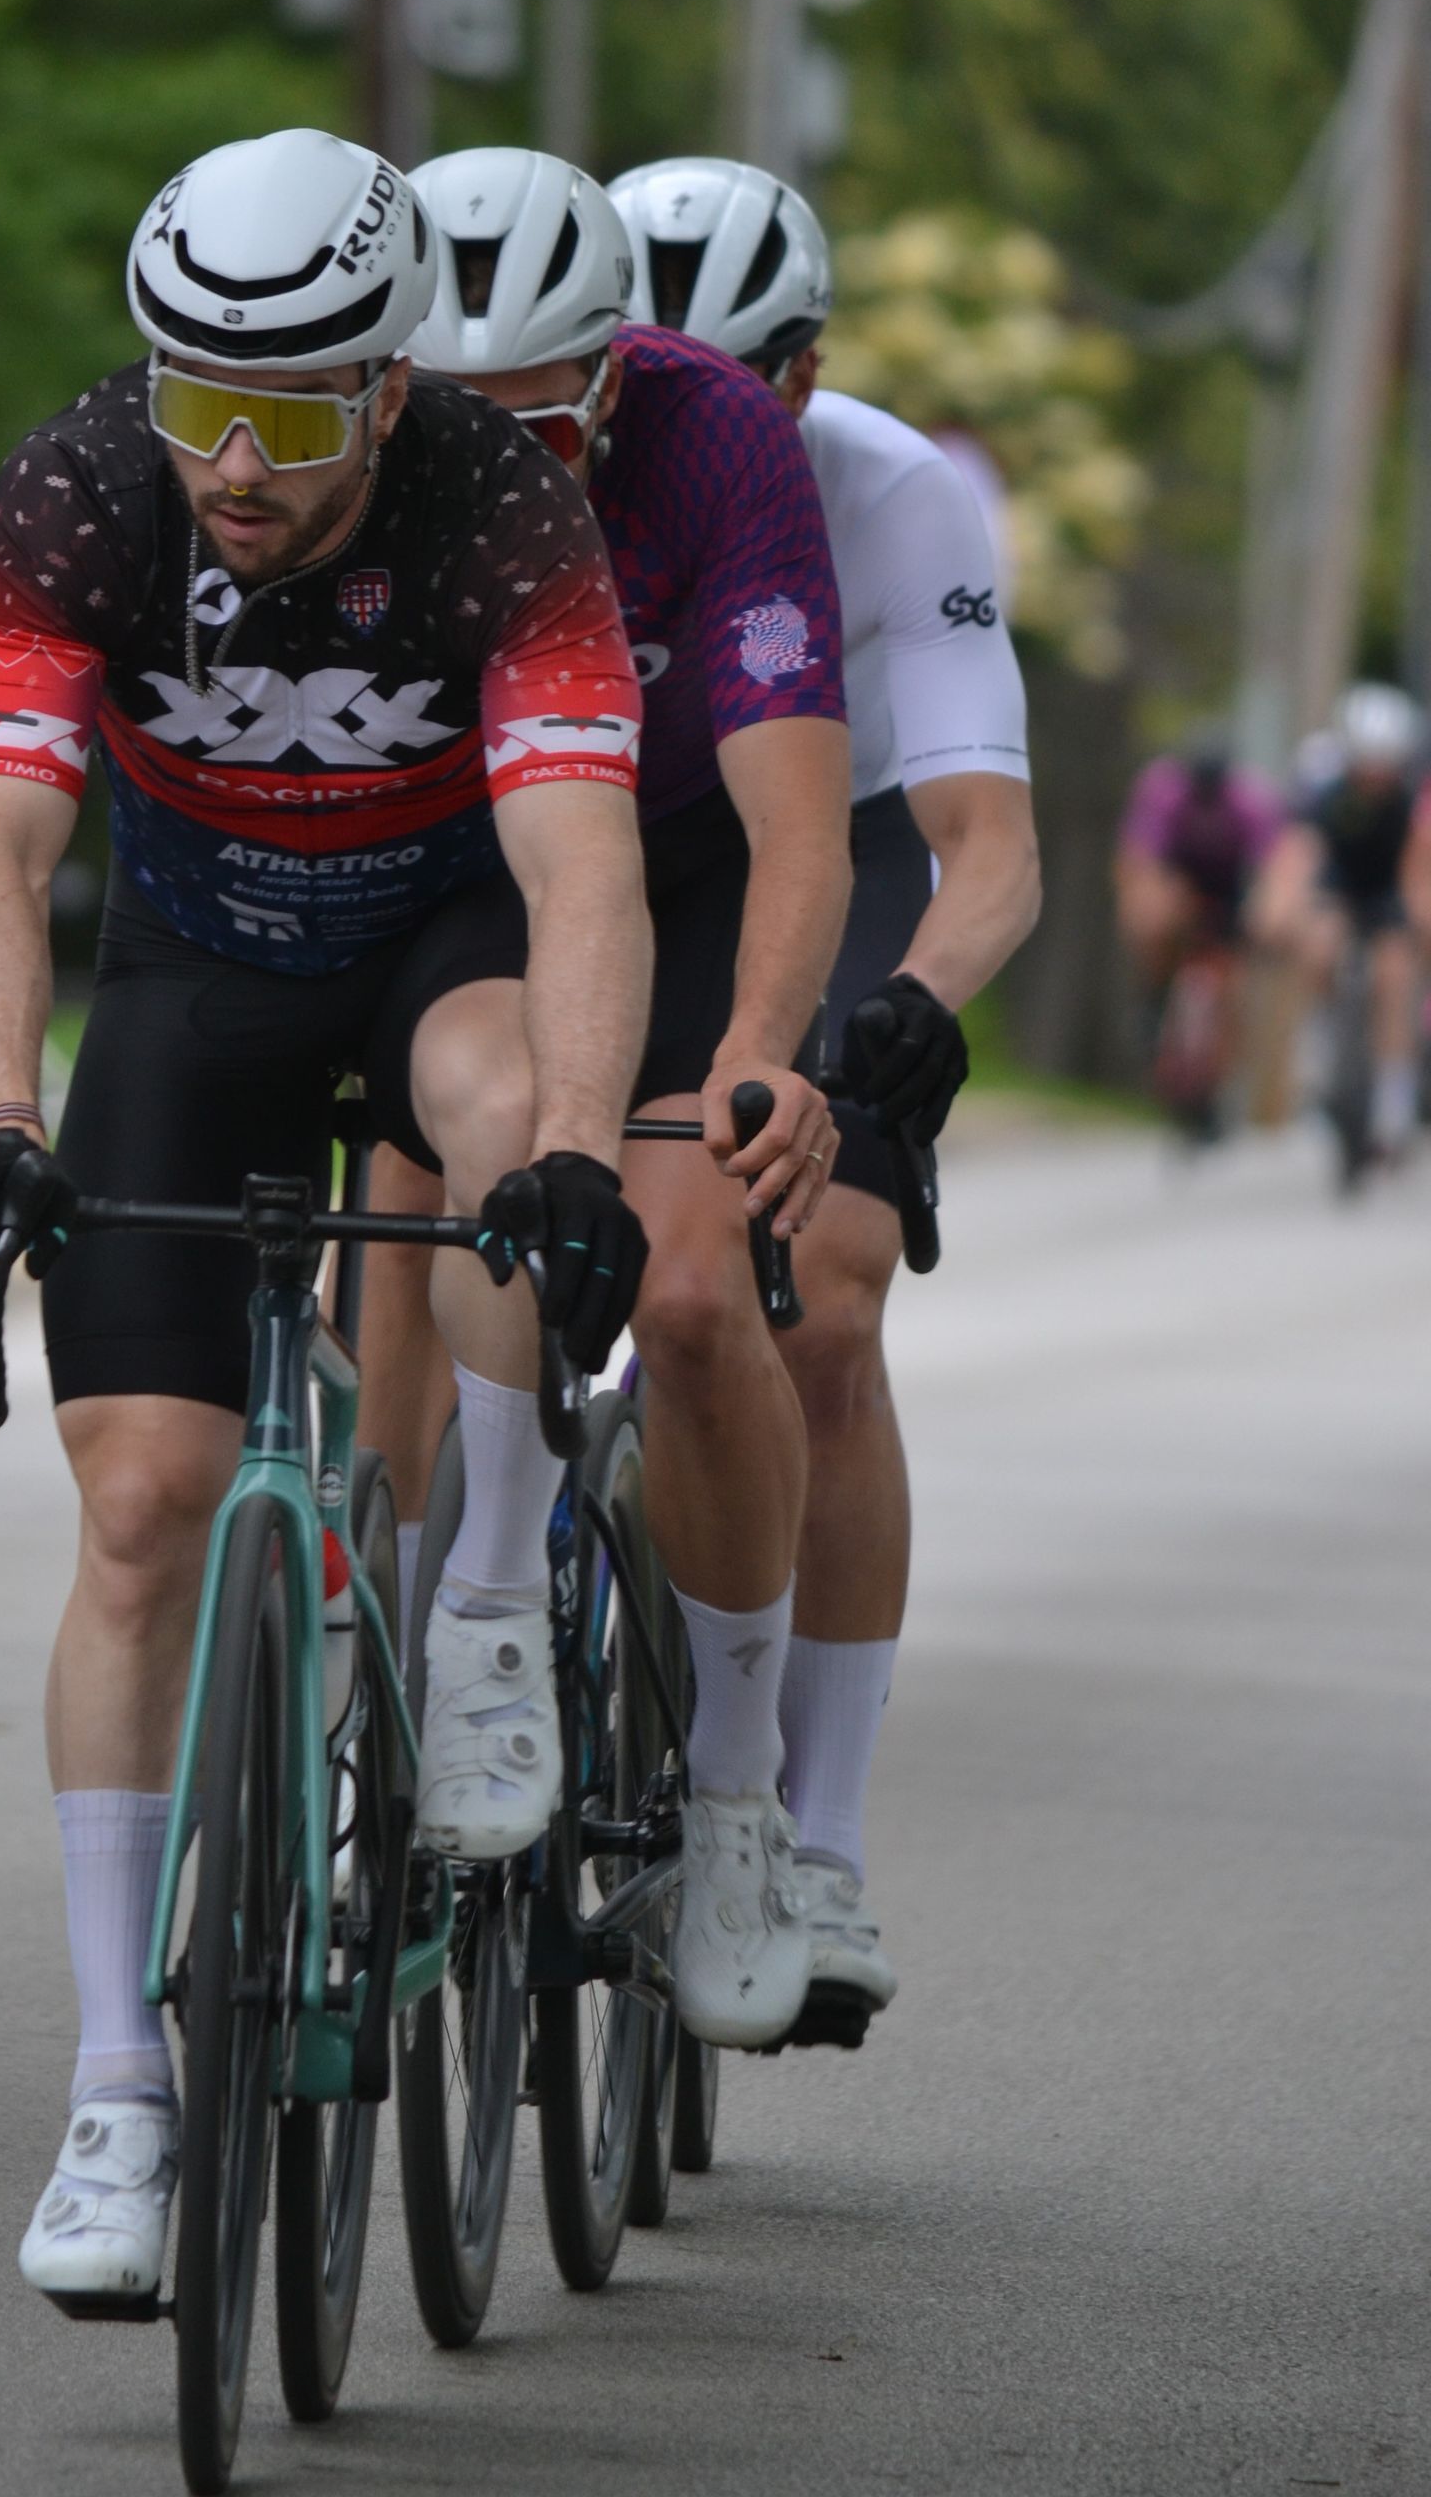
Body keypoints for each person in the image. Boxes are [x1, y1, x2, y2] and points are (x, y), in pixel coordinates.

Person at [0, 129, 656, 2313]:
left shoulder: (508, 512)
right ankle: (122, 2090)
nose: (231, 460)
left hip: (438, 942)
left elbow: (583, 859)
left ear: (390, 392)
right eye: (192, 399)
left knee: (505, 1102)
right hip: (199, 968)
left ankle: (495, 1609)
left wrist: (585, 1155)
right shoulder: (82, 488)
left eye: (291, 415)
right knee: (142, 1502)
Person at [363, 146, 853, 2055]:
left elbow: (798, 815)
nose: (497, 461)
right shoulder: (339, 440)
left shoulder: (720, 438)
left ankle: (735, 1792)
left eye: (538, 425)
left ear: (613, 378)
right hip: (464, 865)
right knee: (422, 1190)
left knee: (694, 1290)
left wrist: (758, 1048)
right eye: (454, 424)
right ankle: (404, 1642)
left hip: (688, 850)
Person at [607, 155, 1041, 2043]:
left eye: (747, 381)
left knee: (829, 1308)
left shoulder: (896, 490)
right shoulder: (536, 457)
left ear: (806, 368)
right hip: (606, 838)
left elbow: (987, 846)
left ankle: (823, 1843)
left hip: (827, 850)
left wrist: (913, 1014)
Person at [1250, 681, 1429, 1166]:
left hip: (1392, 884)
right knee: (1319, 941)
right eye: (1365, 763)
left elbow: (1420, 862)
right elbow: (1298, 853)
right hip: (1340, 883)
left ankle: (1394, 1101)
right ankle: (1320, 1048)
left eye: (1384, 764)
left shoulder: (1416, 791)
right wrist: (1280, 908)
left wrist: (1418, 919)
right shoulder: (1320, 780)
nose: (1373, 775)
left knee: (1395, 974)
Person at [1115, 726, 1284, 1134]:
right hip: (1183, 888)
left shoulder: (1251, 801)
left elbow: (1275, 867)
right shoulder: (1163, 791)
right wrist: (1147, 909)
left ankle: (1221, 1079)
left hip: (1231, 896)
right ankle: (1154, 999)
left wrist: (1267, 914)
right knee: (1150, 913)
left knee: (1233, 985)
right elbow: (1139, 859)